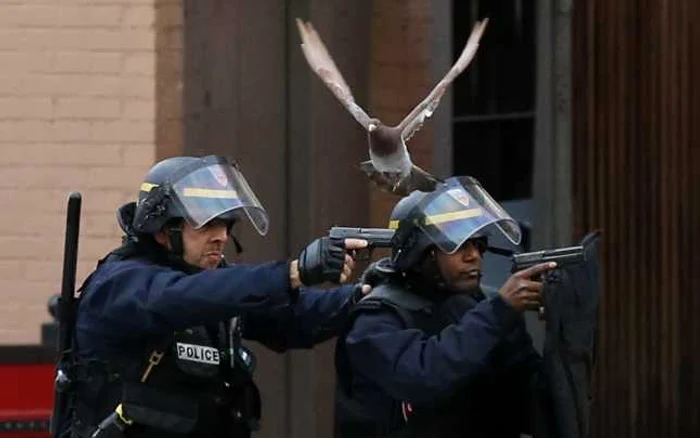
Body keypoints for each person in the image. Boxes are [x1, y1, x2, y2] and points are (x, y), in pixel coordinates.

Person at [59, 155, 370, 438]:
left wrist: (366, 294)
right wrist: (293, 272)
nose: (221, 236)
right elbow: (186, 298)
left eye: (225, 224)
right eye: (207, 224)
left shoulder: (213, 287)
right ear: (164, 229)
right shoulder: (122, 284)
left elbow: (295, 317)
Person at [334, 176, 557, 438]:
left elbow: (532, 404)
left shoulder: (485, 305)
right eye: (459, 245)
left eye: (478, 243)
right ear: (421, 252)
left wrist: (566, 322)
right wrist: (500, 312)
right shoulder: (376, 318)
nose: (473, 255)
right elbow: (424, 377)